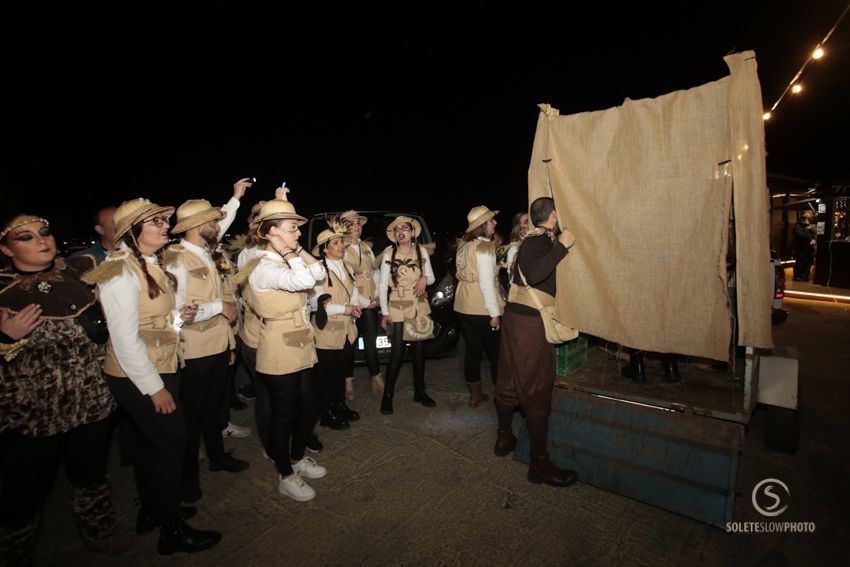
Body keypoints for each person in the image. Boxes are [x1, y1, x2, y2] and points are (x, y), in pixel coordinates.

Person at [83, 198, 222, 555]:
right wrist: (155, 389)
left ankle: (154, 509)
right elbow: (125, 340)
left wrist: (181, 317)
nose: (165, 225)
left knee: (150, 444)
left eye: (163, 219)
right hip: (139, 374)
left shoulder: (148, 264)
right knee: (172, 443)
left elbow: (160, 322)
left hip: (162, 363)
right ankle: (172, 532)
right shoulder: (119, 272)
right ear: (133, 232)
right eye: (156, 222)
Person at [0, 214, 126, 562]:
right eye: (25, 237)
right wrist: (3, 336)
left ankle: (99, 533)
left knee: (91, 476)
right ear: (6, 248)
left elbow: (121, 255)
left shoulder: (78, 273)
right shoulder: (3, 290)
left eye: (45, 232)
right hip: (31, 414)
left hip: (90, 403)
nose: (42, 240)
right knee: (24, 491)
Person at [238, 197, 328, 502]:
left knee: (311, 406)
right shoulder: (262, 266)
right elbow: (304, 277)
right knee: (283, 414)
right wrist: (287, 247)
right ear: (271, 233)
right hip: (278, 346)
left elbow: (317, 273)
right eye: (292, 229)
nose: (299, 234)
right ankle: (285, 474)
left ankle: (297, 456)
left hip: (300, 341)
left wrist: (293, 247)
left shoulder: (281, 258)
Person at [165, 196, 249, 505]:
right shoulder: (177, 259)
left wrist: (228, 344)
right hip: (193, 349)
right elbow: (175, 312)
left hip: (216, 345)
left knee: (214, 410)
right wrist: (219, 307)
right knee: (191, 418)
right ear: (198, 226)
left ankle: (217, 456)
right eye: (213, 222)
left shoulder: (208, 253)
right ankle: (188, 479)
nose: (218, 225)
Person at [494, 197, 578, 487]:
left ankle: (504, 438)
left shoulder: (529, 239)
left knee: (508, 380)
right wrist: (563, 245)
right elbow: (536, 272)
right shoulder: (542, 239)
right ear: (553, 215)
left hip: (516, 319)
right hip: (529, 324)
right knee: (537, 389)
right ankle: (539, 465)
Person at [310, 226, 367, 430]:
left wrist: (360, 304)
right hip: (327, 332)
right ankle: (326, 413)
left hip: (347, 331)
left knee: (341, 372)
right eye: (335, 243)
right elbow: (314, 304)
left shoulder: (347, 267)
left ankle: (339, 404)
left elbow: (353, 294)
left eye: (341, 242)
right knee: (326, 376)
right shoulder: (317, 270)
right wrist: (345, 309)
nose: (341, 246)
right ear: (324, 249)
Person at [378, 216, 437, 415]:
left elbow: (431, 277)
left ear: (412, 233)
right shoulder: (388, 253)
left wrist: (424, 277)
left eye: (404, 228)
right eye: (397, 230)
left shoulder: (421, 251)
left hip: (419, 306)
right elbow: (381, 284)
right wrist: (385, 312)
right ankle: (387, 396)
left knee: (419, 353)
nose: (400, 232)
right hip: (398, 307)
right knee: (397, 354)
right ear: (394, 235)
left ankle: (420, 392)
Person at [454, 206, 504, 408]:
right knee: (497, 354)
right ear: (483, 225)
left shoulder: (465, 246)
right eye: (491, 221)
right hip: (481, 308)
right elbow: (486, 283)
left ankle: (475, 396)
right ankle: (503, 397)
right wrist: (494, 313)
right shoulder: (484, 247)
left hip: (463, 306)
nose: (495, 223)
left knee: (473, 350)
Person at [341, 210, 384, 399]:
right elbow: (346, 282)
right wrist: (366, 302)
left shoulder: (366, 247)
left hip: (370, 301)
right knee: (349, 343)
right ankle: (347, 382)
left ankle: (376, 377)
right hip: (351, 302)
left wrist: (377, 297)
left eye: (358, 223)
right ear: (343, 227)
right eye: (351, 224)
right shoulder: (340, 247)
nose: (356, 227)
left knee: (370, 341)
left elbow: (375, 272)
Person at [793, 210, 817, 281]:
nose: (811, 215)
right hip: (802, 248)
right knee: (801, 262)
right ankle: (799, 276)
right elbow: (804, 235)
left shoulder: (807, 225)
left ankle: (804, 276)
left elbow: (812, 236)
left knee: (807, 262)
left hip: (806, 248)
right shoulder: (800, 225)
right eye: (809, 213)